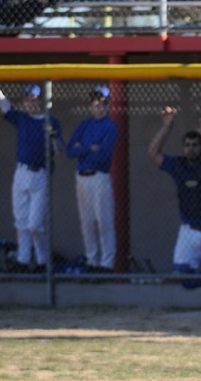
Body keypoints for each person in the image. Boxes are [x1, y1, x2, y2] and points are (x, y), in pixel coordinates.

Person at [147, 106, 201, 286]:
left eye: (195, 145)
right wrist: (166, 127)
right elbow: (153, 153)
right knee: (180, 274)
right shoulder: (179, 165)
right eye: (187, 145)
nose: (191, 149)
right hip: (189, 230)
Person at [0, 83, 63, 273]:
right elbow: (4, 105)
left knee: (35, 224)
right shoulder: (21, 119)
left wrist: (52, 136)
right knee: (21, 221)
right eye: (26, 99)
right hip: (22, 172)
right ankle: (23, 259)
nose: (29, 103)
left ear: (41, 101)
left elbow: (59, 150)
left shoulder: (51, 121)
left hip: (40, 174)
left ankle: (43, 261)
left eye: (33, 99)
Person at [65, 85, 118, 272]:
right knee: (86, 221)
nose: (98, 106)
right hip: (82, 177)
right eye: (95, 102)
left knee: (103, 220)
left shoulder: (110, 126)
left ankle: (106, 263)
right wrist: (89, 147)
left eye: (102, 102)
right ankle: (92, 261)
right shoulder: (85, 124)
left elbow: (103, 154)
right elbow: (69, 150)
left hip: (99, 176)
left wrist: (83, 148)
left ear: (107, 104)